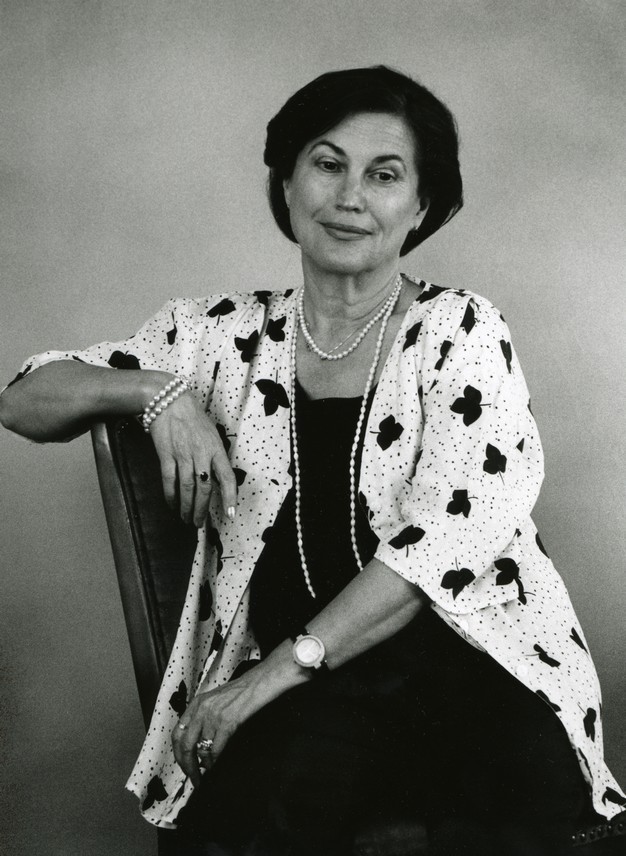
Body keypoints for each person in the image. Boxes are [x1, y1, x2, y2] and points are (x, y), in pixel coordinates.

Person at [1, 66, 624, 856]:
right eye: (328, 164)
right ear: (288, 184)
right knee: (249, 814)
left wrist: (270, 678)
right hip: (313, 699)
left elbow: (445, 543)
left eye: (385, 175)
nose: (350, 196)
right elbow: (23, 399)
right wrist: (156, 392)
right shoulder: (218, 336)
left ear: (421, 206)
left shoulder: (460, 330)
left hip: (466, 670)